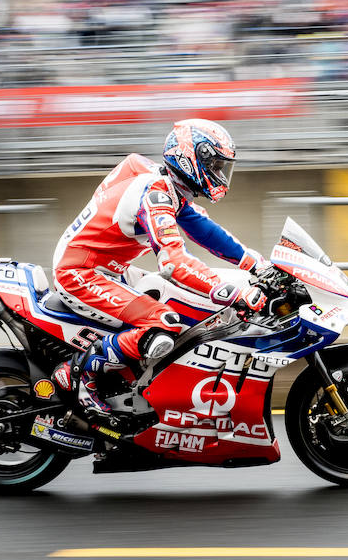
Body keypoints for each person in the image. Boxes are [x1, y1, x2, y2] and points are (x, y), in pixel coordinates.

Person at [50, 119, 268, 418]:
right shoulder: (155, 194)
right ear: (190, 159)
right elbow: (174, 263)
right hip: (81, 272)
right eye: (216, 165)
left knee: (174, 302)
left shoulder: (169, 188)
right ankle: (77, 373)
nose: (220, 175)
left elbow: (208, 233)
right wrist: (234, 293)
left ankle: (127, 383)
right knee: (163, 323)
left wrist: (261, 266)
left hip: (110, 269)